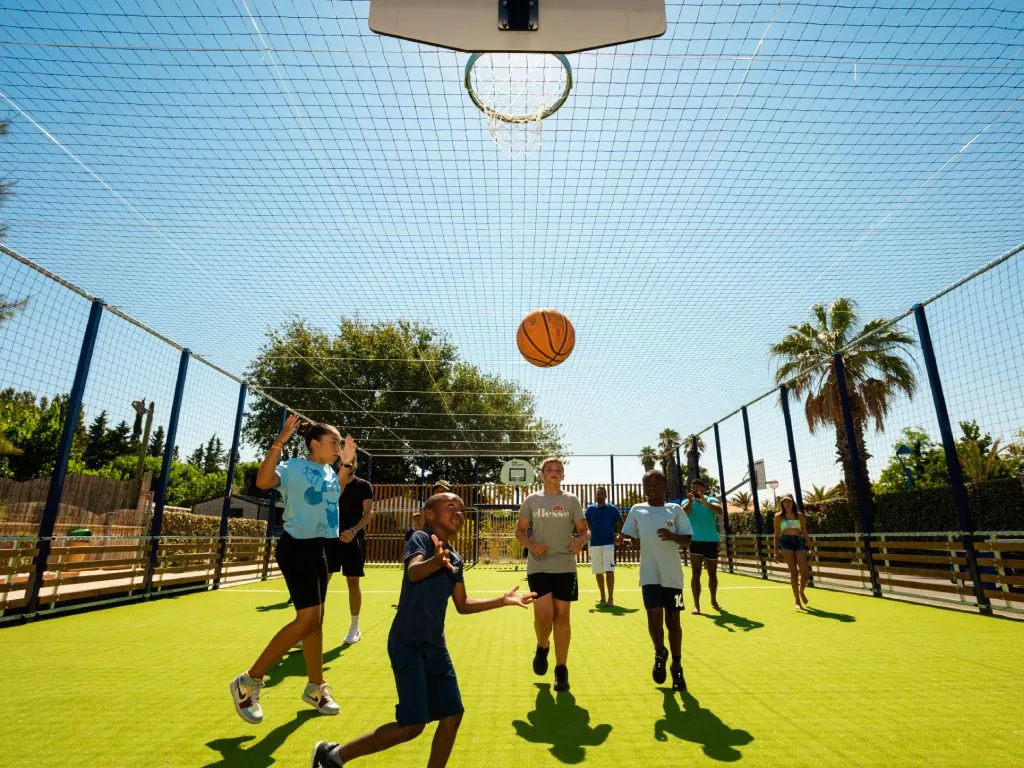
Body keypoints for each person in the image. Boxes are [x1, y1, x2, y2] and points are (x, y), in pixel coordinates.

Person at [310, 493, 535, 767]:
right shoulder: (420, 538)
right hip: (407, 644)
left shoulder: (455, 558)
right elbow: (414, 572)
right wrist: (436, 562)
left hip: (435, 647)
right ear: (429, 513)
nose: (459, 512)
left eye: (462, 509)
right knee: (412, 725)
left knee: (452, 716)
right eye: (451, 506)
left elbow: (462, 604)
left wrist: (502, 601)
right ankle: (332, 756)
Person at [229, 415, 356, 725]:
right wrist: (279, 442)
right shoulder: (295, 467)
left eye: (340, 443)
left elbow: (333, 493)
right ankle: (248, 680)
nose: (338, 446)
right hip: (296, 547)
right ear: (314, 444)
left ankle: (316, 688)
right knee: (308, 619)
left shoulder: (327, 470)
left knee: (317, 621)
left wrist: (347, 466)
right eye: (334, 443)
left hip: (318, 548)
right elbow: (262, 482)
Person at [515, 457, 588, 692]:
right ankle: (542, 645)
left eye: (559, 470)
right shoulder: (532, 500)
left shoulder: (571, 500)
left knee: (562, 616)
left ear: (563, 476)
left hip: (565, 565)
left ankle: (561, 669)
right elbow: (520, 531)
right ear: (542, 474)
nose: (554, 473)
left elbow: (585, 531)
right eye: (550, 469)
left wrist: (580, 541)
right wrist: (532, 544)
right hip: (538, 564)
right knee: (544, 615)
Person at [620, 469, 693, 691]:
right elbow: (628, 536)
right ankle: (660, 652)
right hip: (649, 575)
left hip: (673, 577)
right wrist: (625, 541)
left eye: (656, 484)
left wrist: (672, 536)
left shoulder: (675, 509)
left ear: (665, 487)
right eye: (647, 484)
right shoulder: (637, 510)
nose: (651, 487)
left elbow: (688, 539)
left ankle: (677, 667)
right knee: (654, 620)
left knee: (674, 622)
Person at [326, 458, 374, 645]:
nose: (350, 463)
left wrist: (354, 531)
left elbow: (369, 513)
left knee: (353, 581)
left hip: (353, 538)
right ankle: (309, 627)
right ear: (339, 464)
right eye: (346, 460)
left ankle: (355, 627)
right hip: (329, 538)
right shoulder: (330, 483)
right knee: (322, 581)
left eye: (353, 460)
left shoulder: (363, 485)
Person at [681, 478, 724, 615]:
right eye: (693, 487)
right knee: (696, 573)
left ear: (703, 489)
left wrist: (705, 502)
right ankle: (696, 605)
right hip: (695, 541)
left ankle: (713, 600)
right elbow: (683, 514)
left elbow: (720, 511)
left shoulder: (711, 500)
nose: (696, 489)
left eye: (698, 487)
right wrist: (691, 502)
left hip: (711, 541)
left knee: (712, 574)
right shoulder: (687, 501)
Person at [584, 486, 621, 605]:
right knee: (598, 572)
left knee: (609, 570)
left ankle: (611, 598)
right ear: (595, 496)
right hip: (594, 544)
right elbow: (587, 522)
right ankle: (602, 597)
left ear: (606, 496)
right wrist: (590, 532)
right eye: (598, 493)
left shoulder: (612, 509)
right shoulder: (590, 509)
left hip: (608, 544)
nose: (599, 495)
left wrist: (618, 535)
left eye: (602, 493)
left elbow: (619, 522)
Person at [774, 494, 811, 609]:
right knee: (793, 572)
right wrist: (775, 552)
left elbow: (804, 532)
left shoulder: (799, 516)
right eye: (784, 502)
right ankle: (797, 600)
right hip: (785, 543)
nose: (787, 504)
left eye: (789, 501)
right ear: (782, 504)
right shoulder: (778, 517)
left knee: (805, 572)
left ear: (793, 502)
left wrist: (810, 547)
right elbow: (776, 535)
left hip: (798, 542)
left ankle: (801, 591)